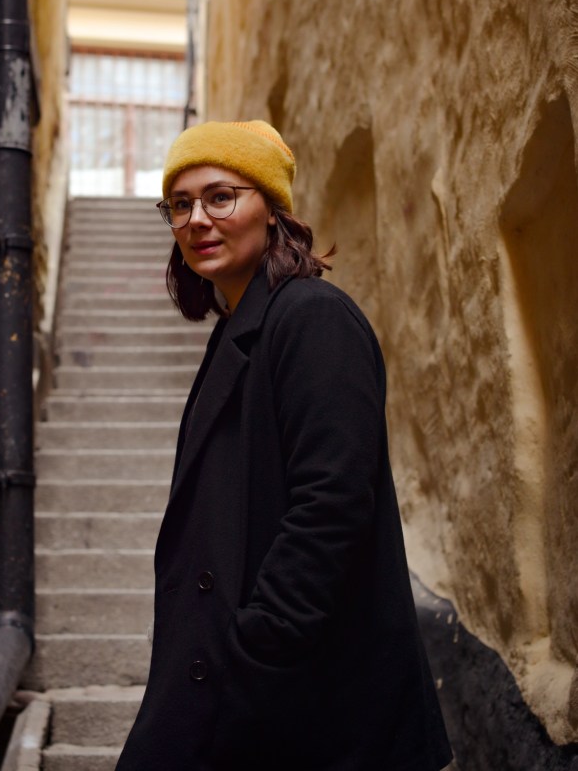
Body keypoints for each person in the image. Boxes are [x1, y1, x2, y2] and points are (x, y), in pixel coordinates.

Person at [116, 120, 452, 771]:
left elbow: (331, 503)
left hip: (298, 697)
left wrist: (255, 644)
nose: (196, 219)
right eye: (180, 204)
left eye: (221, 196)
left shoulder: (313, 318)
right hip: (241, 685)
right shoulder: (240, 332)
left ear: (271, 210)